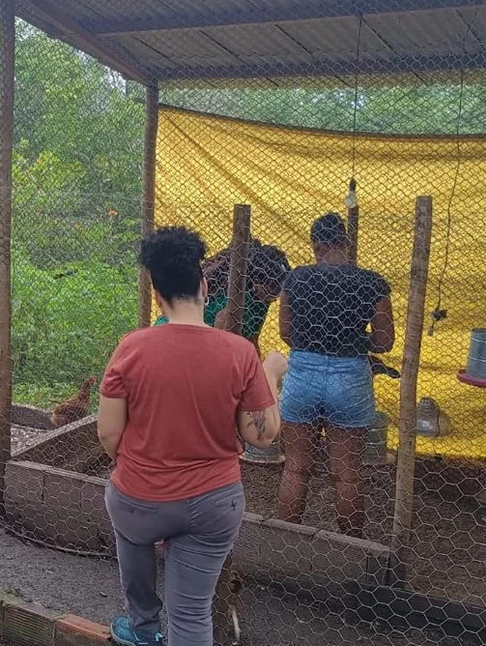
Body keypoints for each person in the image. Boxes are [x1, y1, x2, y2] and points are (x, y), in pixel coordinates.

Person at [98, 226, 286, 646]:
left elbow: (109, 435)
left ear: (156, 292)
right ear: (203, 284)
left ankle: (144, 630)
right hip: (212, 504)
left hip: (139, 498)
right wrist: (271, 374)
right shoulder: (240, 352)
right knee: (191, 613)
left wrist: (145, 476)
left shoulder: (130, 348)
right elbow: (263, 435)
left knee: (131, 538)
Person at [276, 212, 394, 535]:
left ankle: (285, 545)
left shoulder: (296, 279)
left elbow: (286, 332)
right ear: (345, 242)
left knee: (296, 470)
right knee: (348, 476)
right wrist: (357, 340)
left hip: (303, 375)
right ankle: (352, 550)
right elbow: (385, 341)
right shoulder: (371, 282)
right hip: (350, 377)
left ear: (316, 244)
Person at [153, 240, 290, 348]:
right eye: (272, 288)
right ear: (256, 281)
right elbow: (218, 342)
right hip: (181, 335)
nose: (276, 294)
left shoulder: (262, 301)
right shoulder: (238, 301)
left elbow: (252, 339)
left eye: (279, 289)